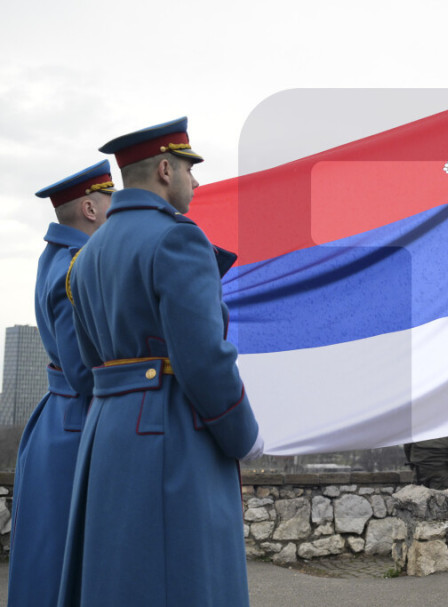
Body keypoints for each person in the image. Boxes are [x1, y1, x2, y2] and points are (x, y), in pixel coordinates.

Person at [58, 117, 264, 607]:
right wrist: (244, 435)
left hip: (107, 434)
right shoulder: (179, 239)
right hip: (169, 433)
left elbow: (87, 366)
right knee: (183, 582)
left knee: (119, 582)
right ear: (165, 170)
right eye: (190, 169)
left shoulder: (85, 257)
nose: (196, 181)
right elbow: (205, 360)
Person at [6, 161, 113, 607]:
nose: (116, 212)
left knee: (46, 556)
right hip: (76, 425)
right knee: (64, 562)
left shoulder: (54, 257)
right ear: (89, 209)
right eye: (110, 202)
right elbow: (83, 371)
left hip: (55, 419)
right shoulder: (77, 266)